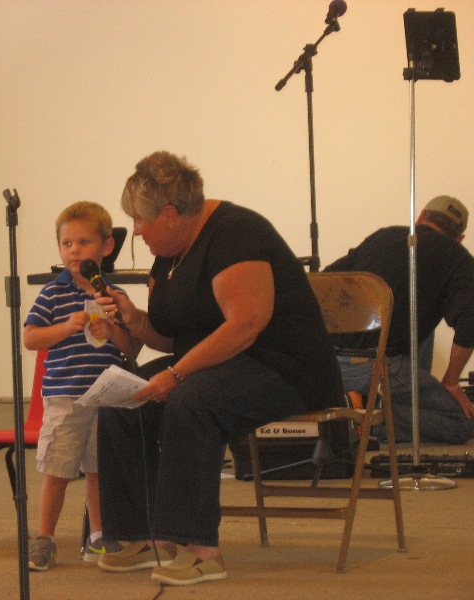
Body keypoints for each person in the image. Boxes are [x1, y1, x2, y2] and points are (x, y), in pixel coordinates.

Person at [92, 151, 345, 586]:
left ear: (170, 214)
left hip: (283, 367)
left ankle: (202, 552)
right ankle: (146, 538)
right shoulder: (169, 250)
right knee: (124, 400)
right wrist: (136, 322)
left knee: (192, 401)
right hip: (221, 363)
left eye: (139, 219)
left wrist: (175, 375)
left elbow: (246, 326)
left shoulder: (237, 234)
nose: (135, 230)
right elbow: (173, 337)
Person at [23, 201, 141, 571]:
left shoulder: (112, 294)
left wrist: (113, 331)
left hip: (105, 398)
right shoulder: (52, 293)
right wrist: (65, 328)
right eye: (67, 243)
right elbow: (31, 337)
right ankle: (45, 537)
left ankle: (98, 538)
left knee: (98, 470)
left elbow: (131, 347)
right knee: (58, 469)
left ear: (106, 247)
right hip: (65, 398)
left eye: (84, 242)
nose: (74, 251)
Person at [324, 195, 474, 444]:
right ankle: (366, 421)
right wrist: (451, 383)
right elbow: (469, 326)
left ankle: (361, 404)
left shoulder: (383, 236)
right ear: (459, 238)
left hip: (333, 362)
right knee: (463, 423)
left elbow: (327, 279)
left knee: (422, 327)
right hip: (381, 367)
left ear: (421, 216)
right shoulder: (459, 259)